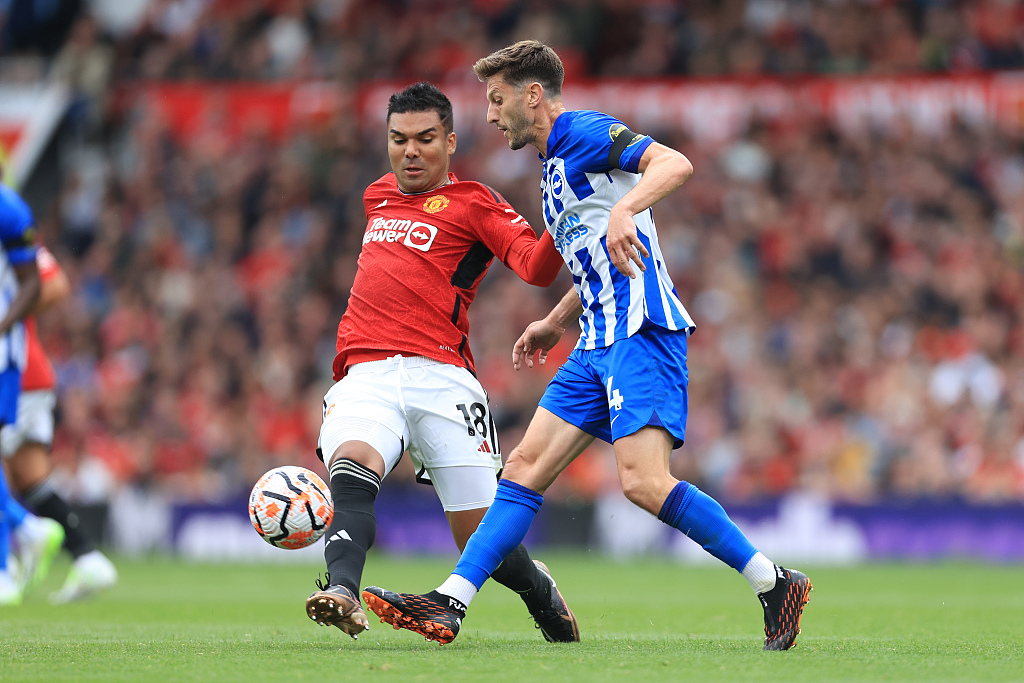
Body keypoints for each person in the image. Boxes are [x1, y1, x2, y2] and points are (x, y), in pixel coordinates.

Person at [362, 41, 813, 651]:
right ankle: (450, 603)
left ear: (533, 95)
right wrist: (554, 318)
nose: (491, 116)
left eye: (498, 101)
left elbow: (673, 164)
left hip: (640, 329)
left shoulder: (585, 131)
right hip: (596, 335)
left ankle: (774, 582)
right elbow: (596, 254)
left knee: (643, 483)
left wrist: (627, 207)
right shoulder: (552, 169)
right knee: (522, 469)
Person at [305, 82, 578, 643]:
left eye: (426, 139)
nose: (411, 151)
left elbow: (536, 267)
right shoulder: (376, 195)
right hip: (367, 372)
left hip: (443, 377)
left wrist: (569, 213)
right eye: (399, 139)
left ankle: (539, 591)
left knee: (479, 536)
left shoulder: (476, 202)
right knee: (352, 472)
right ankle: (341, 591)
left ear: (450, 142)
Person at [1, 244, 118, 603]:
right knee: (30, 477)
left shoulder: (11, 227)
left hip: (14, 374)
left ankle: (11, 560)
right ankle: (87, 556)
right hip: (30, 373)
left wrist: (8, 317)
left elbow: (54, 285)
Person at [0, 178, 64, 605]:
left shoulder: (8, 206)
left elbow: (36, 283)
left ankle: (5, 567)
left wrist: (2, 327)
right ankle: (25, 525)